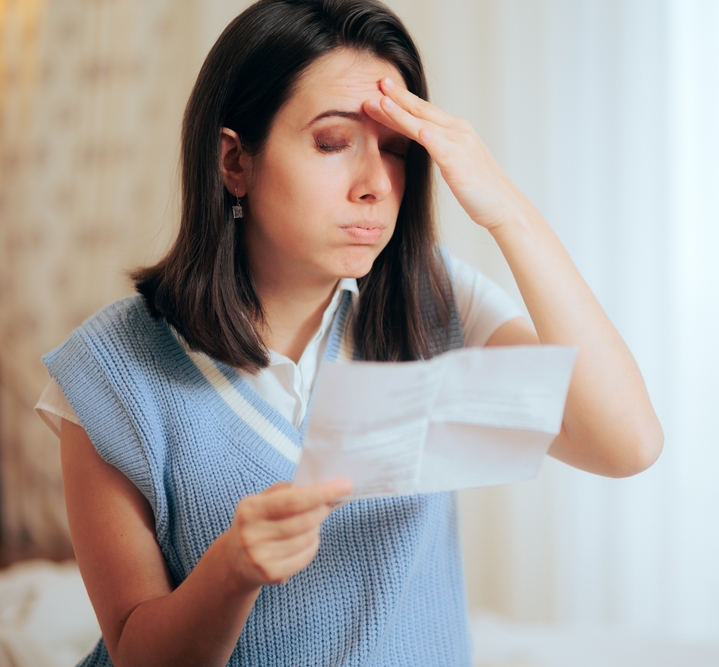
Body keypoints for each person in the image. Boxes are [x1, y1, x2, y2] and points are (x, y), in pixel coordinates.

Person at [34, 0, 663, 665]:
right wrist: (231, 573)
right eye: (333, 143)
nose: (376, 185)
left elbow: (626, 443)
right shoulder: (111, 371)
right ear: (234, 162)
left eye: (397, 152)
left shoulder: (428, 301)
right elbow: (139, 655)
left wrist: (508, 210)